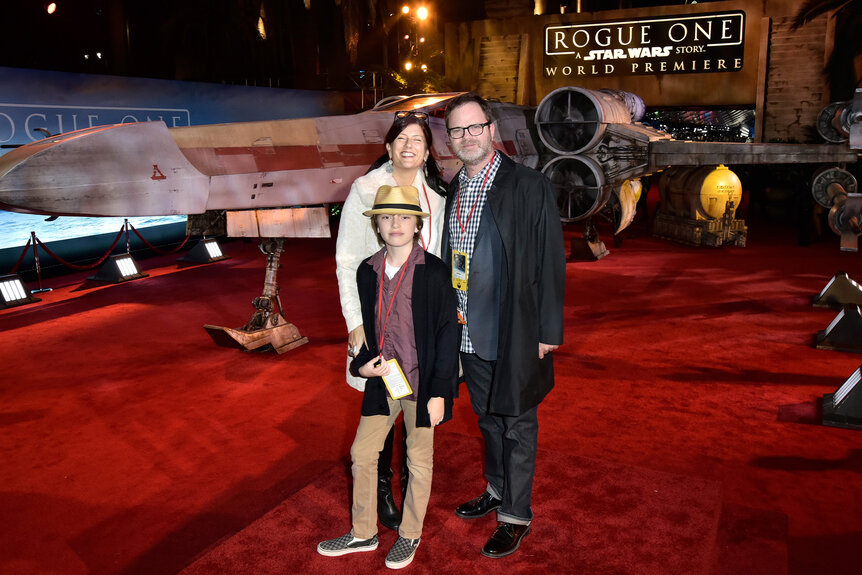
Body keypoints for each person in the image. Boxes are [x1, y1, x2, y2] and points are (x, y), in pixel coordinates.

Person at [441, 93, 566, 558]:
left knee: (517, 424)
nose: (467, 137)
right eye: (457, 130)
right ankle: (495, 490)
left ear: (492, 130)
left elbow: (552, 259)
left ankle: (515, 515)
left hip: (514, 328)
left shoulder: (528, 185)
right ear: (449, 139)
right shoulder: (454, 186)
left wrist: (548, 331)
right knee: (489, 420)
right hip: (467, 331)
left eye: (475, 127)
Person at [318, 184, 459, 569]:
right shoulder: (367, 271)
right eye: (386, 216)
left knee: (419, 460)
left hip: (422, 383)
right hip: (384, 381)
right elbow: (368, 325)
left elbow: (448, 333)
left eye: (403, 216)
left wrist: (441, 392)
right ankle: (362, 532)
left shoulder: (434, 272)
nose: (394, 223)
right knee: (362, 454)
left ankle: (410, 533)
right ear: (377, 225)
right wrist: (360, 365)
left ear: (417, 225)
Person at [335, 110, 448, 531]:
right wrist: (354, 322)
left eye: (417, 139)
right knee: (378, 415)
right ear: (388, 147)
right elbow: (348, 261)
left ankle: (407, 503)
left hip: (418, 331)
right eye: (401, 138)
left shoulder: (435, 197)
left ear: (426, 150)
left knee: (415, 420)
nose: (408, 146)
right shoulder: (366, 190)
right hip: (378, 324)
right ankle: (381, 490)